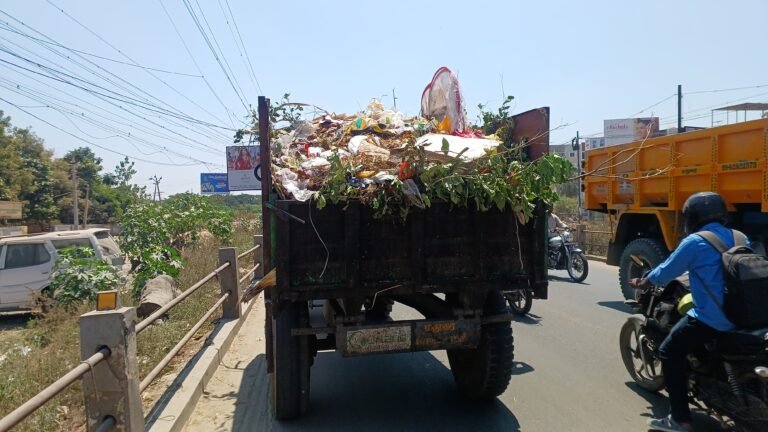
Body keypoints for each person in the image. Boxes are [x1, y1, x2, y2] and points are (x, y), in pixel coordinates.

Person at [631, 192, 744, 432]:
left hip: (715, 320)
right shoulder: (740, 237)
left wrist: (644, 281)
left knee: (669, 352)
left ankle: (679, 419)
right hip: (749, 316)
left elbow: (665, 272)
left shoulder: (695, 242)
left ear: (691, 217)